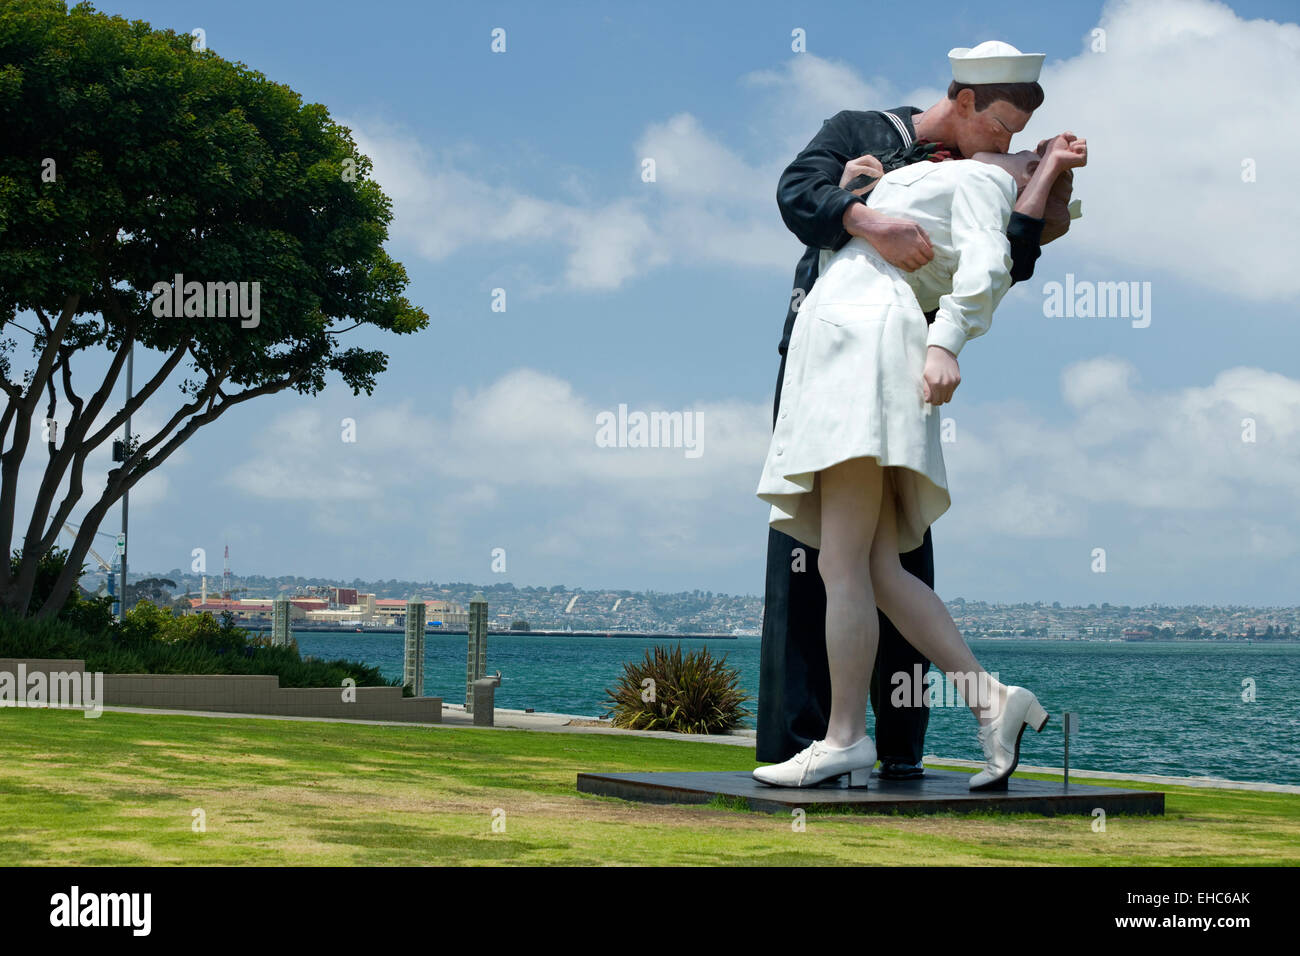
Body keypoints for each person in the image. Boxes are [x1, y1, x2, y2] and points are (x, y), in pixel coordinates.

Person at [756, 40, 1074, 779]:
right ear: (962, 103)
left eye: (1023, 149)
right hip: (837, 355)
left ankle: (846, 740)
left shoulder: (979, 183)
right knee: (873, 565)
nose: (1010, 147)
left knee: (844, 563)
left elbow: (1004, 260)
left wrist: (948, 341)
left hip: (866, 355)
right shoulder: (887, 152)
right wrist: (864, 198)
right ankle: (988, 701)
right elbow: (799, 195)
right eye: (1002, 130)